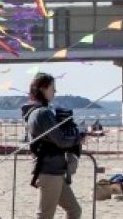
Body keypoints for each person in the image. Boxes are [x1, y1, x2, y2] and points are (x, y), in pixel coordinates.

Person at [21, 72, 85, 219]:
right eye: (52, 88)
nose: (55, 92)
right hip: (48, 171)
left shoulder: (39, 112)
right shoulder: (42, 113)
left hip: (55, 171)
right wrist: (78, 137)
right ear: (43, 89)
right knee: (45, 215)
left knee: (74, 210)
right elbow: (61, 140)